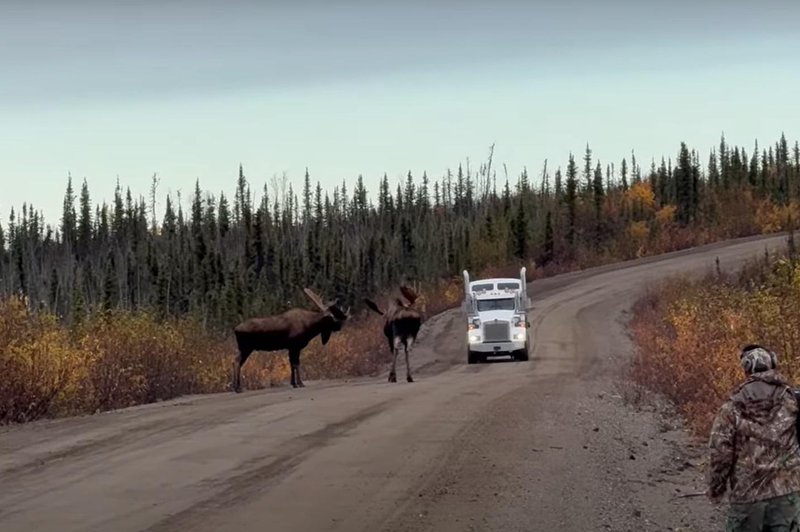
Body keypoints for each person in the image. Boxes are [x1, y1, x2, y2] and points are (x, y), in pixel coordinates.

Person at [708, 344, 800, 531]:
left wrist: (717, 488)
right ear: (773, 365)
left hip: (747, 496)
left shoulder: (732, 406)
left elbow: (720, 452)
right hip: (787, 494)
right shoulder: (792, 400)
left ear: (745, 370)